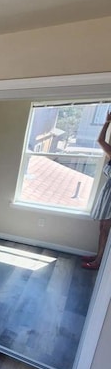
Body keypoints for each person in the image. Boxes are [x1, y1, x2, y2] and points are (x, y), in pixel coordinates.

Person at [83, 111, 111, 269]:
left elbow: (100, 140)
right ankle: (99, 255)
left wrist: (107, 122)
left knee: (106, 229)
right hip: (108, 192)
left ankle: (98, 261)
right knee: (103, 227)